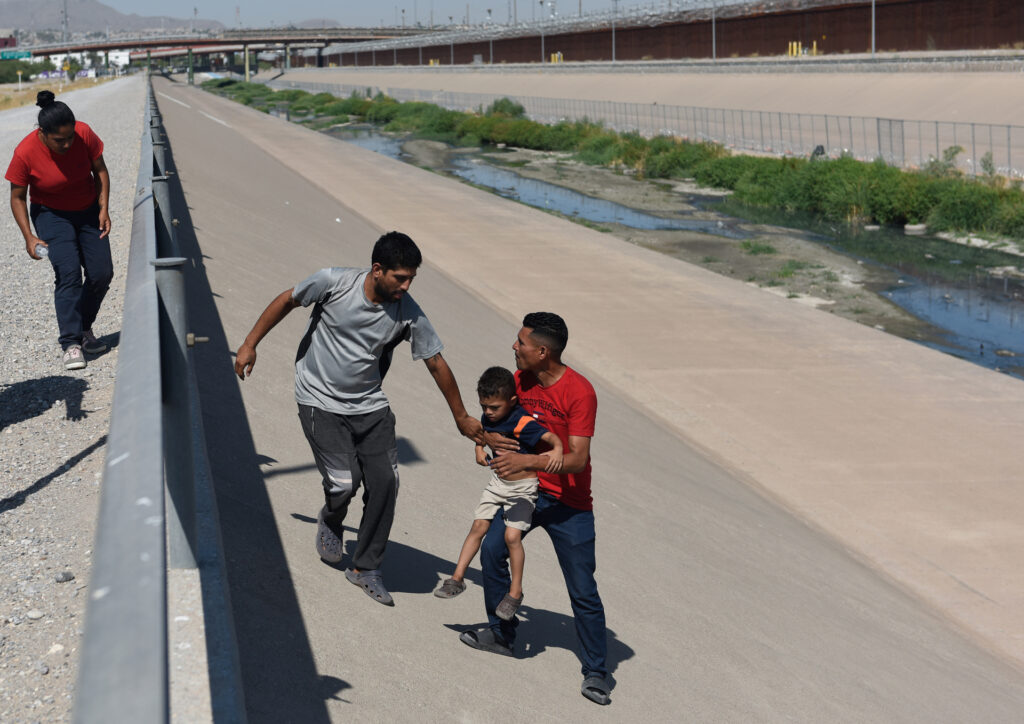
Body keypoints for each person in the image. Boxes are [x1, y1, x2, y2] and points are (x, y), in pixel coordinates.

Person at [234, 231, 483, 606]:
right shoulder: (333, 282)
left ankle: (365, 568)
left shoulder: (408, 311)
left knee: (386, 482)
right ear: (377, 269)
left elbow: (436, 362)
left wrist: (461, 417)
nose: (406, 285)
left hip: (369, 405)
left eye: (412, 278)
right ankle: (332, 520)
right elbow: (289, 299)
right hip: (318, 399)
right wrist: (251, 343)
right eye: (400, 277)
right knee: (343, 482)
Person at [457, 312, 611, 706]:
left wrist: (527, 462)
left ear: (543, 352)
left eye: (521, 342)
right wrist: (488, 438)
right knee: (492, 550)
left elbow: (576, 459)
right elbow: (501, 419)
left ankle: (596, 669)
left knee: (582, 589)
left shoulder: (580, 392)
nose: (514, 347)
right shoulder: (520, 382)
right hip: (524, 492)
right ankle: (502, 635)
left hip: (570, 505)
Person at [434, 366, 563, 621]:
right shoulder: (488, 417)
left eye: (494, 408)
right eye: (484, 406)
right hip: (498, 484)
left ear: (512, 401)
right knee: (478, 527)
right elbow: (482, 433)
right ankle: (457, 578)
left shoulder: (523, 421)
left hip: (523, 488)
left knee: (512, 537)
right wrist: (478, 448)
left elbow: (550, 437)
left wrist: (558, 449)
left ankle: (515, 593)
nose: (488, 413)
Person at [6, 90, 113, 371]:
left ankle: (84, 329)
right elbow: (17, 197)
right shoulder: (25, 152)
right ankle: (71, 343)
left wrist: (104, 208)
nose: (66, 144)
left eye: (69, 138)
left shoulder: (84, 134)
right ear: (42, 133)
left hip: (88, 209)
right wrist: (29, 236)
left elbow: (100, 171)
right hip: (51, 214)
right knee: (68, 273)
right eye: (59, 140)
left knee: (102, 273)